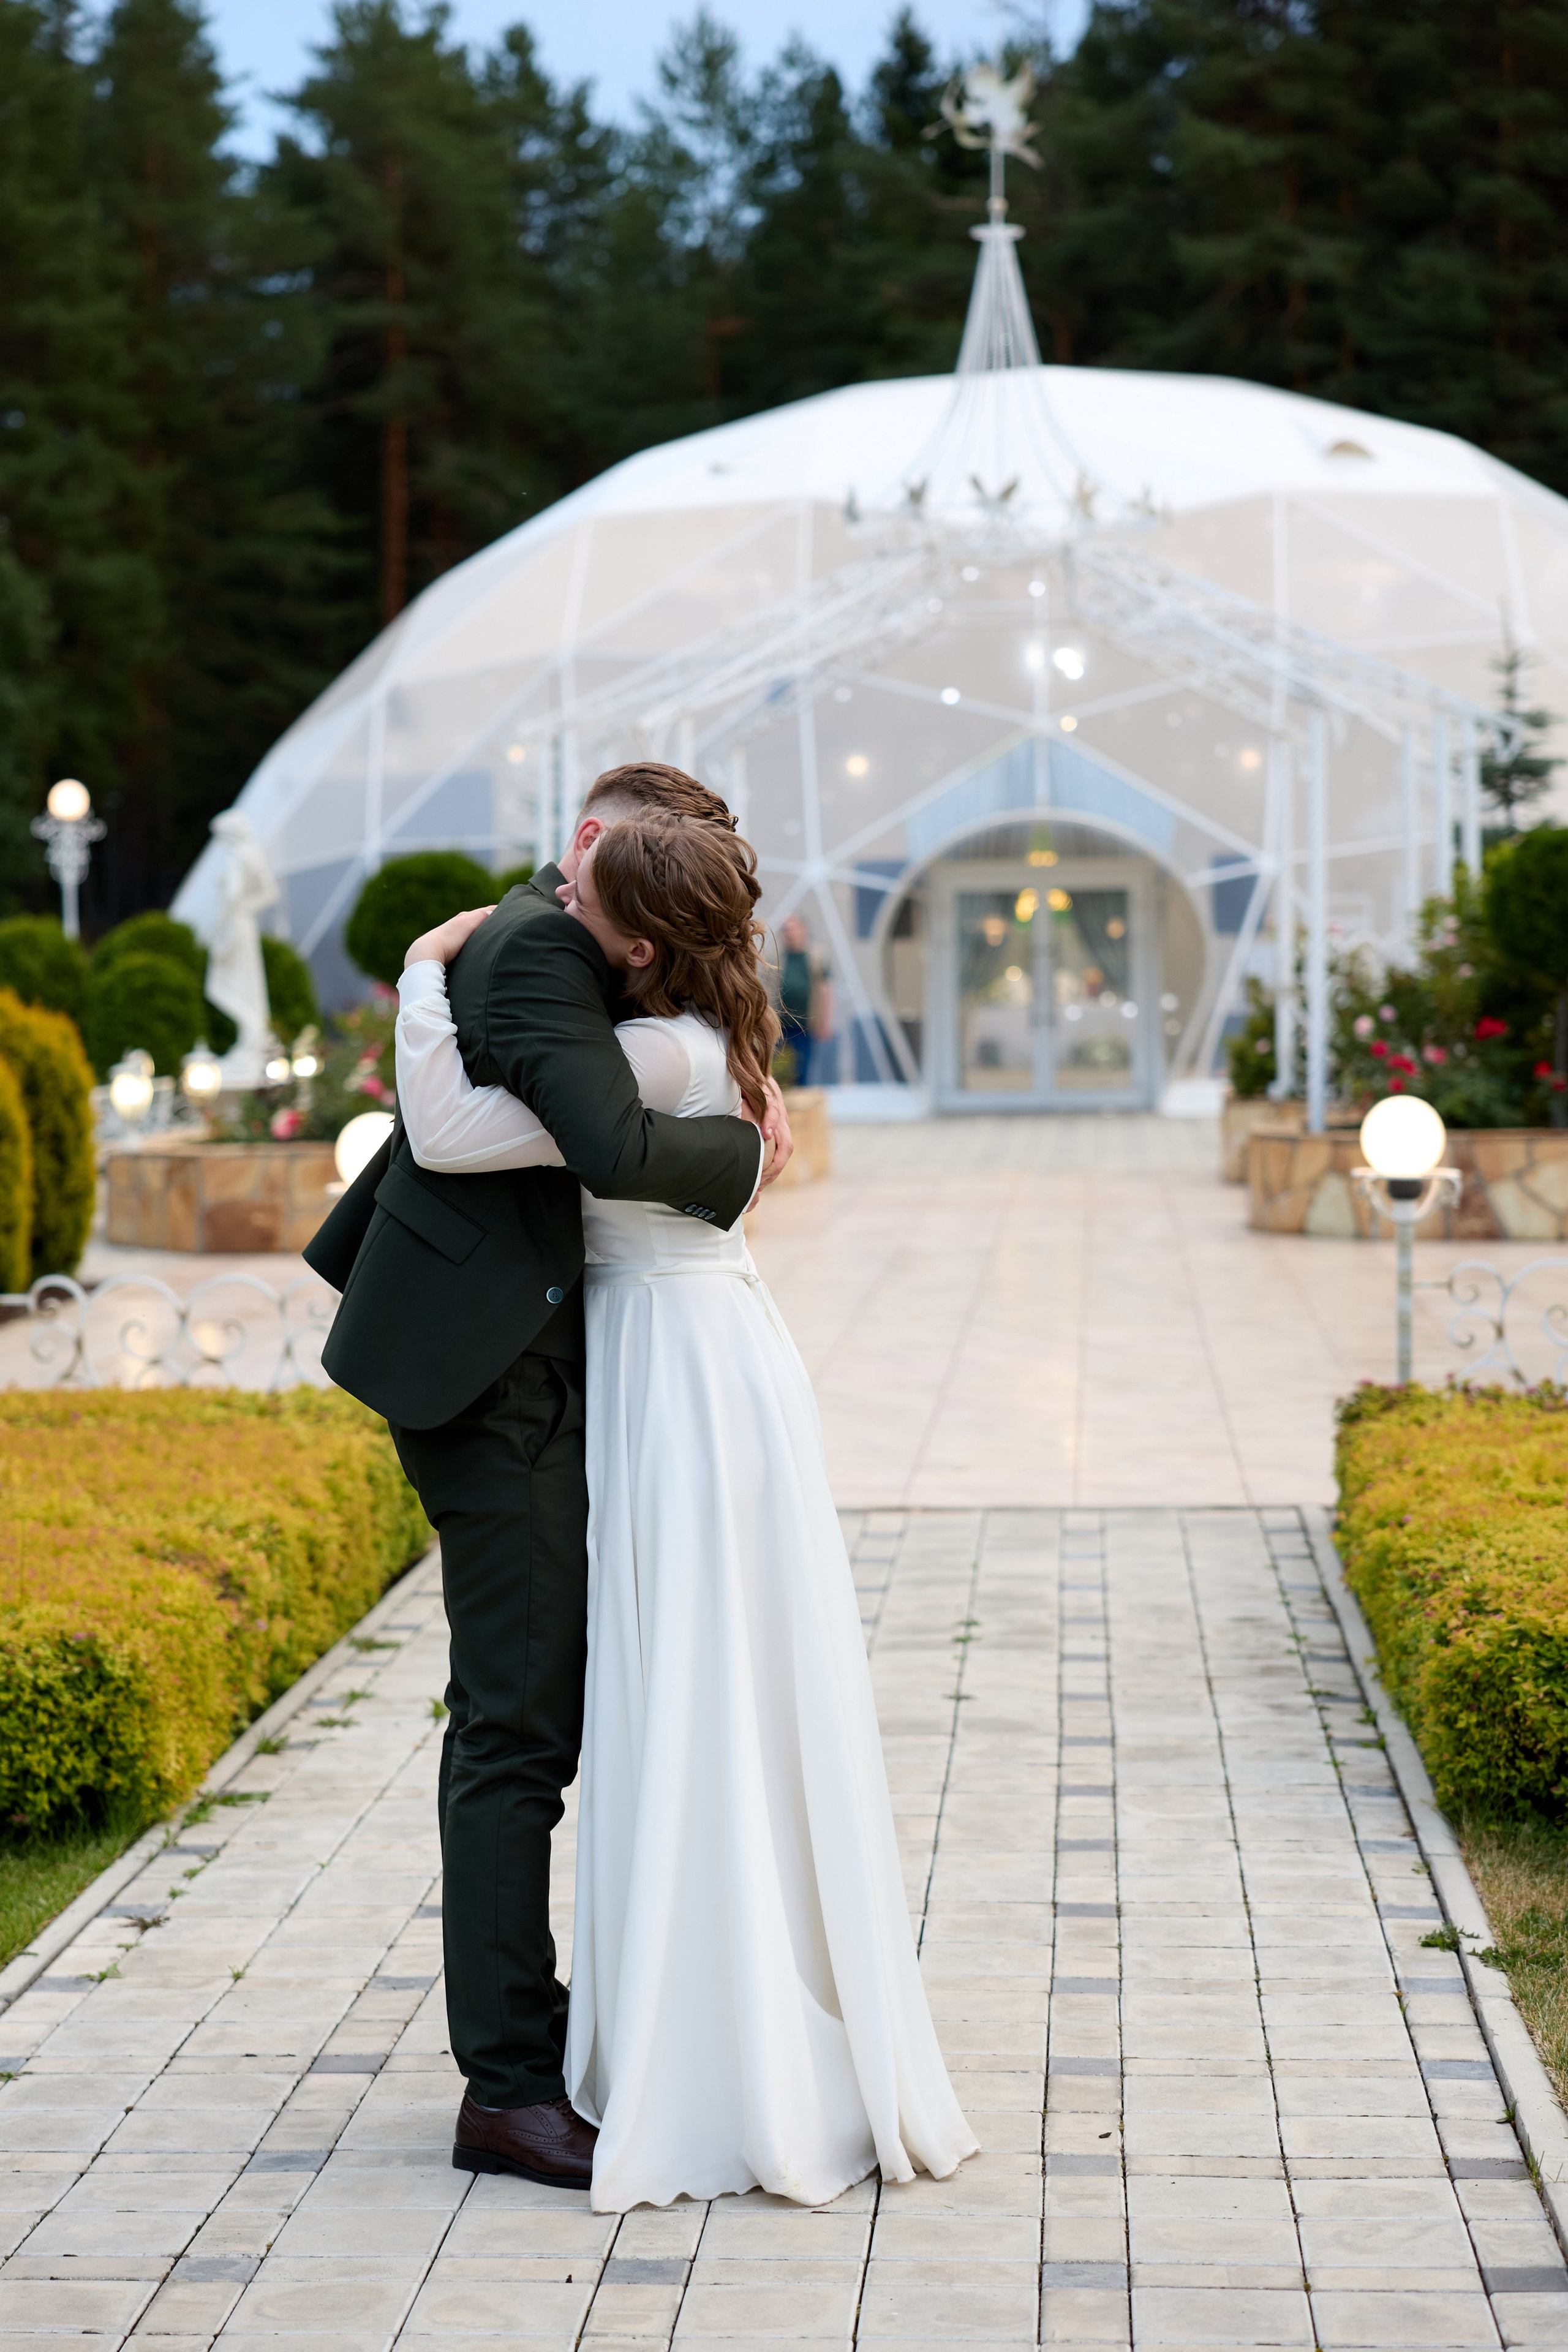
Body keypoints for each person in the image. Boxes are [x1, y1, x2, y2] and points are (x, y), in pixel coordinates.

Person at [394, 816, 977, 2212]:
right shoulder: (699, 1035)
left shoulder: (650, 1056)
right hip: (704, 1353)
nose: (560, 878)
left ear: (645, 945)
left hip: (676, 1366)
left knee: (692, 1695)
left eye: (583, 884)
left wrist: (421, 974)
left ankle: (679, 2039)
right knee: (715, 1692)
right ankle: (695, 2010)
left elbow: (451, 1130)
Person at [303, 764, 793, 2196]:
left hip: (546, 1353)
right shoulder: (533, 950)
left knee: (546, 1707)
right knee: (516, 1723)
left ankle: (543, 2033)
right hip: (488, 1374)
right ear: (597, 845)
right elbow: (478, 1135)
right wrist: (739, 1146)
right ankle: (508, 2085)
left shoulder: (569, 939)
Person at [777, 912, 834, 1085]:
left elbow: (825, 990)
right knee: (780, 1068)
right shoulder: (777, 958)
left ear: (803, 930)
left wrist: (825, 1021)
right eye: (786, 930)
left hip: (806, 1025)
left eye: (793, 929)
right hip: (781, 1025)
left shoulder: (816, 957)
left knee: (803, 1069)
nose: (789, 933)